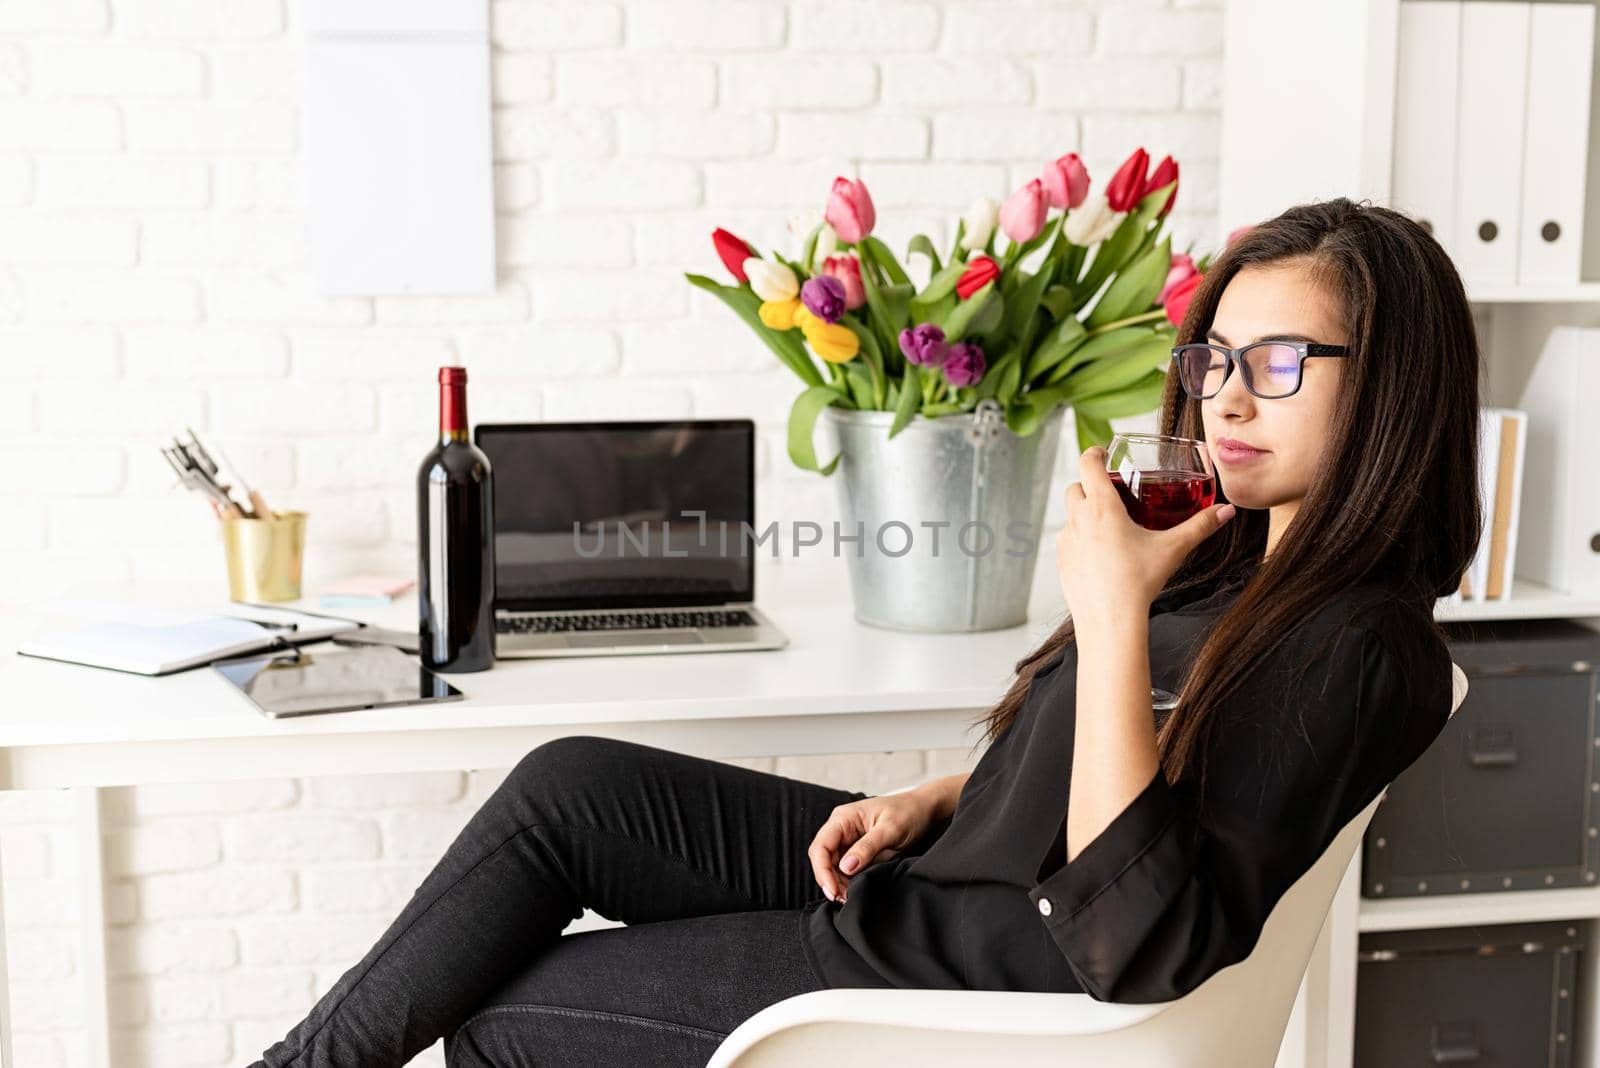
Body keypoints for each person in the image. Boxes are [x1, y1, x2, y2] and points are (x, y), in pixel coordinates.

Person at [249, 197, 1481, 1067]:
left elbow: (1138, 933)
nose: (1221, 395)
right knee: (568, 790)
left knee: (507, 1016)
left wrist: (1109, 610)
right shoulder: (1230, 563)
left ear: (1390, 387)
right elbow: (1175, 767)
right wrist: (946, 797)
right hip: (955, 883)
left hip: (969, 971)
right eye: (1213, 356)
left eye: (1276, 362)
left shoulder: (1357, 645)